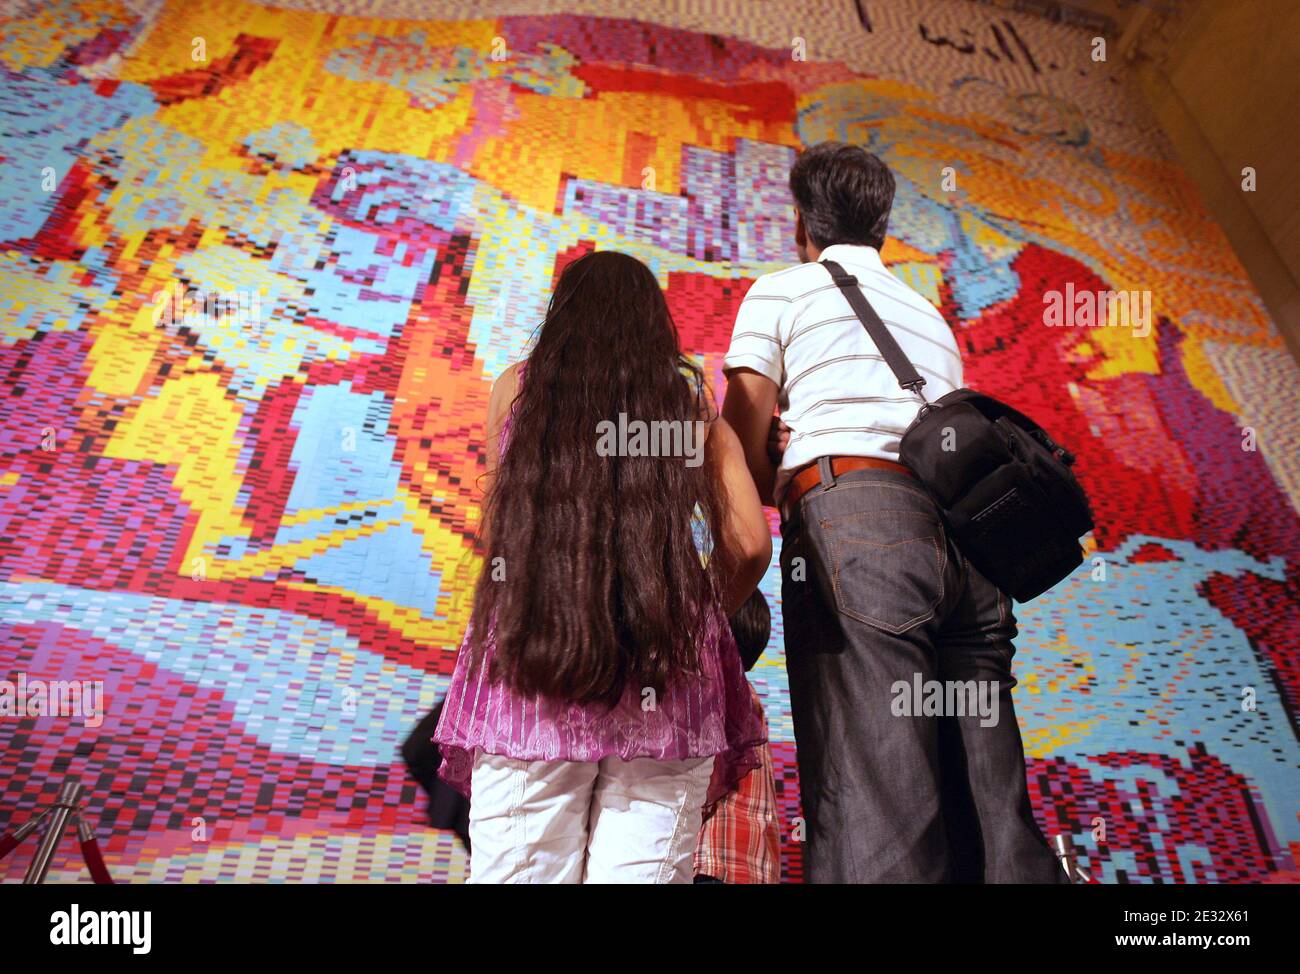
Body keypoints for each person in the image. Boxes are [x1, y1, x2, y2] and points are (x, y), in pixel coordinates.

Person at [720, 141, 1061, 883]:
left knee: (875, 808)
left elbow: (739, 445)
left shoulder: (783, 290)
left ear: (803, 224)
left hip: (860, 531)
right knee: (991, 808)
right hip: (968, 547)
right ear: (881, 226)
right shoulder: (927, 314)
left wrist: (775, 472)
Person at [434, 250, 770, 884]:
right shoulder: (689, 406)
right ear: (654, 324)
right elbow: (750, 544)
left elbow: (496, 529)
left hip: (537, 661)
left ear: (561, 315)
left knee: (519, 870)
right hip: (662, 675)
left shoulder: (519, 389)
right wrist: (695, 618)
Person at [694, 590, 782, 885]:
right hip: (754, 867)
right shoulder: (749, 699)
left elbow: (699, 789)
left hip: (714, 864)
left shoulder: (715, 697)